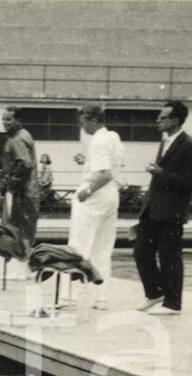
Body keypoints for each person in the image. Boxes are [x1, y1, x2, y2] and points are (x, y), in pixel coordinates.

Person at [133, 101, 192, 316]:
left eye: (162, 117)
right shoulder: (165, 143)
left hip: (172, 212)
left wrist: (160, 173)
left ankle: (172, 304)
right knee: (141, 251)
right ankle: (155, 293)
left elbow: (190, 182)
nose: (158, 120)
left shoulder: (189, 145)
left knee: (169, 258)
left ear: (175, 120)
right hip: (153, 210)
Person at [67, 103, 124, 310]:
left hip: (95, 197)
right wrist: (86, 162)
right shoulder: (113, 137)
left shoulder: (97, 141)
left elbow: (104, 173)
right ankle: (102, 298)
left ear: (92, 120)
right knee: (103, 249)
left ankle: (72, 296)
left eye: (83, 122)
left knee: (79, 246)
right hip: (111, 196)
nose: (82, 127)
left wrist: (87, 190)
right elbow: (110, 169)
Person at [0, 107, 41, 256]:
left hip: (21, 192)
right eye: (3, 119)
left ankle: (19, 263)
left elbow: (24, 163)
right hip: (27, 190)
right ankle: (22, 261)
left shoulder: (17, 138)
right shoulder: (22, 135)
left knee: (16, 227)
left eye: (9, 119)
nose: (5, 123)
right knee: (25, 227)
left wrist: (8, 185)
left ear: (18, 121)